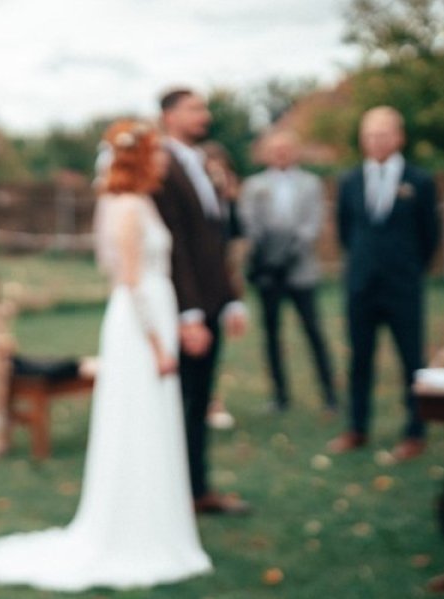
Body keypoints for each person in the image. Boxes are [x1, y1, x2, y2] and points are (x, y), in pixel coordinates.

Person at [0, 120, 212, 591]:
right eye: (157, 153)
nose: (164, 161)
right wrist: (158, 344)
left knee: (152, 418)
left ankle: (155, 518)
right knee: (139, 418)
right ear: (139, 158)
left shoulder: (136, 202)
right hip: (140, 325)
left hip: (150, 315)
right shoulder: (128, 206)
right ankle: (136, 527)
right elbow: (129, 281)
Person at [151, 88, 250, 515]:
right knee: (185, 402)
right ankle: (185, 489)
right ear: (169, 117)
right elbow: (177, 246)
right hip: (186, 307)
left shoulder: (202, 163)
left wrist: (230, 299)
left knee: (200, 400)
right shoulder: (163, 166)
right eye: (193, 108)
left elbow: (215, 240)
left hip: (211, 300)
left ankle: (195, 487)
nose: (204, 115)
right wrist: (189, 314)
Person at [328, 106, 440, 461]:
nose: (376, 141)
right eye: (370, 135)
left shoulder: (419, 181)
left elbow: (430, 234)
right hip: (361, 285)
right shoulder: (349, 181)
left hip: (403, 285)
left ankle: (415, 431)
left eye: (383, 134)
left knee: (412, 360)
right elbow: (345, 230)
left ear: (399, 137)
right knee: (360, 358)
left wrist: (408, 268)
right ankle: (357, 427)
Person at [239, 130, 338, 413]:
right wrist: (268, 258)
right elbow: (250, 222)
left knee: (312, 330)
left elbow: (312, 223)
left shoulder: (311, 183)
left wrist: (289, 254)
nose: (281, 154)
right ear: (267, 154)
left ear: (295, 152)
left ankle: (329, 393)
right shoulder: (254, 185)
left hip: (300, 269)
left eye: (286, 149)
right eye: (276, 149)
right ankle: (280, 395)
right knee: (271, 333)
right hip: (268, 272)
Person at [199, 140, 243, 430]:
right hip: (199, 283)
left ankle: (212, 399)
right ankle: (204, 401)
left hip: (221, 281)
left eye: (221, 171)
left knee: (216, 342)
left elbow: (236, 242)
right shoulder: (199, 204)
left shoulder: (230, 204)